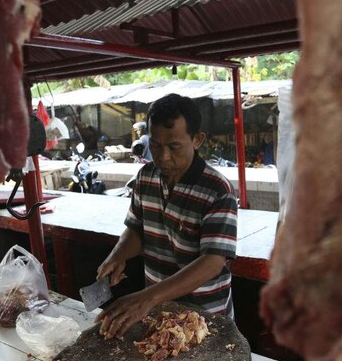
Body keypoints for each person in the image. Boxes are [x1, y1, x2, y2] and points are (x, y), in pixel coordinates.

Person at [95, 94, 238, 339]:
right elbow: (137, 229)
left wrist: (146, 297)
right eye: (156, 145)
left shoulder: (217, 190)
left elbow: (213, 261)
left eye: (173, 146)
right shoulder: (145, 177)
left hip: (204, 319)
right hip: (157, 313)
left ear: (197, 140)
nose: (163, 157)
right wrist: (118, 255)